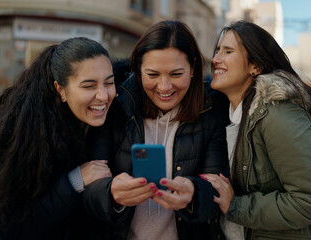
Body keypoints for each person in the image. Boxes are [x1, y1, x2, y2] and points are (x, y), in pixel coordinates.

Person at [201, 20, 311, 239]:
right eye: (217, 51)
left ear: (255, 66)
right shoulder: (227, 114)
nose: (215, 59)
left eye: (228, 51)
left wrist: (236, 206)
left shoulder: (277, 114)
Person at [83, 20, 229, 240]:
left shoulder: (211, 110)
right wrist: (111, 193)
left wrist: (194, 194)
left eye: (176, 74)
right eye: (152, 75)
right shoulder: (116, 108)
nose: (164, 87)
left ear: (193, 68)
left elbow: (218, 191)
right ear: (139, 69)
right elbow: (89, 194)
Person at [0, 37, 115, 240]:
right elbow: (4, 226)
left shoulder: (89, 121)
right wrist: (75, 180)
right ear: (60, 89)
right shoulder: (26, 132)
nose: (103, 96)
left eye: (109, 82)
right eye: (89, 86)